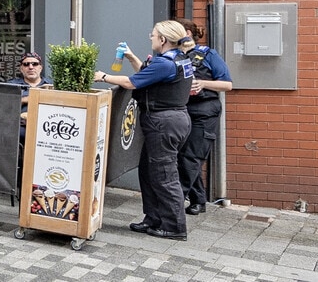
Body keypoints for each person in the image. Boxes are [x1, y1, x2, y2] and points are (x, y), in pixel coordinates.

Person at [94, 20, 195, 240]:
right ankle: (154, 219)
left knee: (164, 175)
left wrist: (103, 77)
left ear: (163, 39)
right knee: (149, 172)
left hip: (164, 122)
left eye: (153, 34)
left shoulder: (166, 63)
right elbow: (147, 74)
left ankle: (174, 227)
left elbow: (132, 83)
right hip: (168, 120)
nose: (150, 37)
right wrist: (131, 56)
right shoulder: (177, 59)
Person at [178, 21, 234, 214]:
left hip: (204, 111)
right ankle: (198, 200)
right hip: (182, 110)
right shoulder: (175, 55)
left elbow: (227, 84)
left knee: (191, 157)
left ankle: (173, 204)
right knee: (184, 157)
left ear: (186, 33)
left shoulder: (209, 54)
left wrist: (203, 83)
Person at [15, 51, 52, 125]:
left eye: (35, 64)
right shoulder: (12, 85)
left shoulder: (51, 85)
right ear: (21, 69)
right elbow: (3, 106)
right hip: (18, 129)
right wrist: (24, 100)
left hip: (45, 127)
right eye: (26, 64)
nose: (31, 67)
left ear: (40, 68)